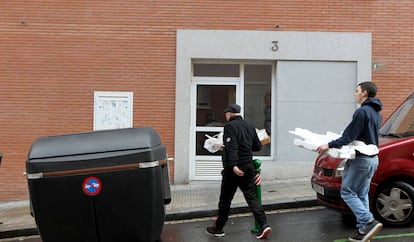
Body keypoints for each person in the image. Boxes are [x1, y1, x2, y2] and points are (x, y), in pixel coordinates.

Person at [316, 82, 383, 242]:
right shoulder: (376, 113)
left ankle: (368, 221)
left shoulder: (362, 112)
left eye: (357, 91)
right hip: (373, 158)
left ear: (364, 93)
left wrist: (328, 145)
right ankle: (363, 232)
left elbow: (349, 136)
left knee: (347, 192)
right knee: (361, 193)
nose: (354, 94)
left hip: (361, 160)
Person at [206, 104, 272, 240]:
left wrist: (233, 165)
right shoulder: (249, 126)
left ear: (230, 114)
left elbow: (232, 147)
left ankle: (218, 228)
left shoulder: (229, 127)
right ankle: (264, 225)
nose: (225, 116)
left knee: (225, 200)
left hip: (234, 170)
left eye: (226, 113)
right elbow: (257, 146)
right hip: (248, 166)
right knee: (252, 197)